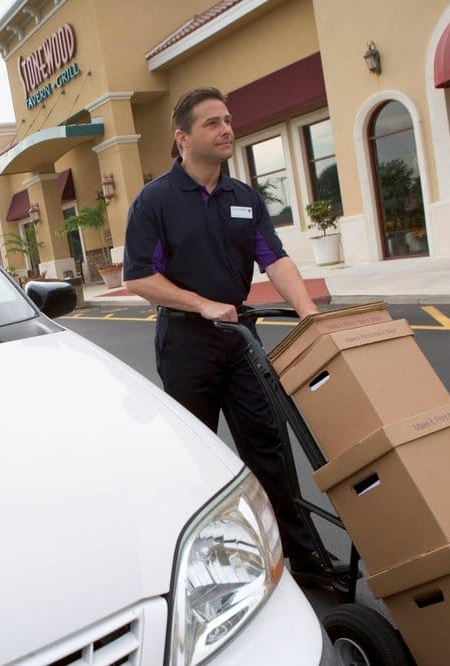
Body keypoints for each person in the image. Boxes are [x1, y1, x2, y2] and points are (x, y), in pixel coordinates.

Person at [122, 86, 333, 585]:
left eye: (228, 120)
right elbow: (138, 277)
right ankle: (207, 563)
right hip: (186, 344)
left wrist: (308, 312)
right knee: (197, 457)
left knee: (270, 448)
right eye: (213, 123)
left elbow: (274, 257)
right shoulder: (155, 201)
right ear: (183, 138)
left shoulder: (243, 198)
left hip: (240, 341)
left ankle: (304, 559)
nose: (226, 130)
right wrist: (201, 303)